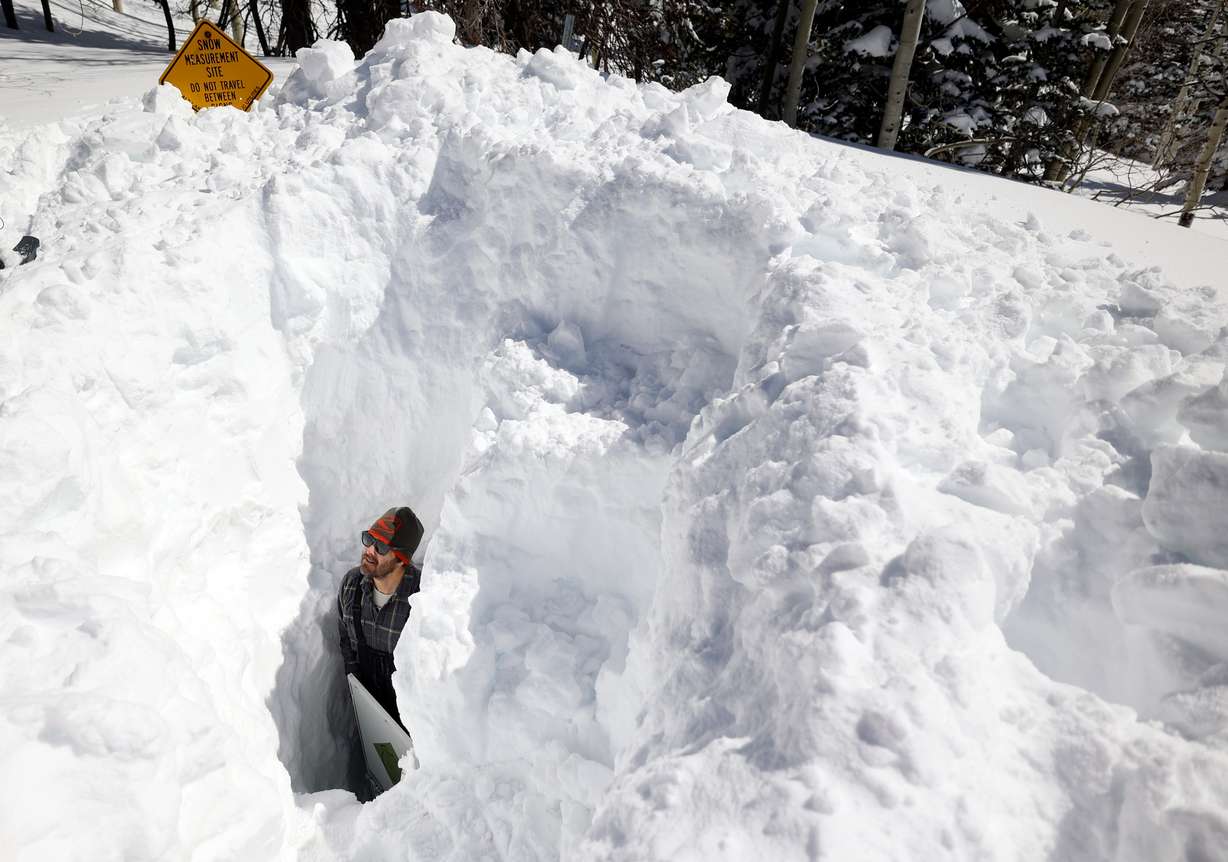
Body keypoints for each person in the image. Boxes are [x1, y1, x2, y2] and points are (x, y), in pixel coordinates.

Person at [338, 506, 424, 727]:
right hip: (369, 712)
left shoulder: (421, 597)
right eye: (368, 539)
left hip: (411, 720)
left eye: (382, 546)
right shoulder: (351, 586)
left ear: (402, 558)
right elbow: (346, 639)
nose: (370, 550)